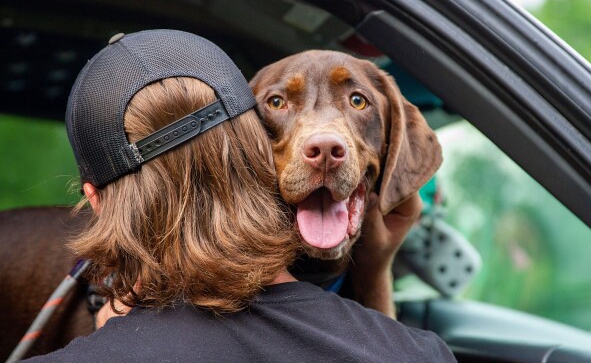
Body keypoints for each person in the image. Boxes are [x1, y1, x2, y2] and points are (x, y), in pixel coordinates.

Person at [24, 29, 456, 362]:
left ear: (96, 201)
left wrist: (373, 264)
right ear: (247, 148)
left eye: (357, 101)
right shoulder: (421, 353)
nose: (324, 140)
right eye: (277, 103)